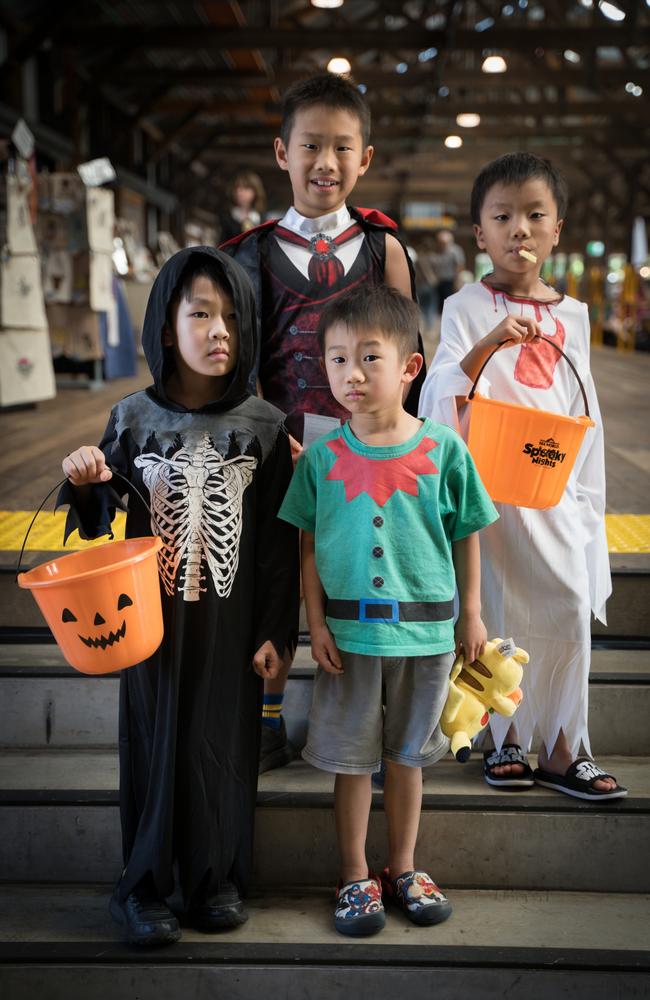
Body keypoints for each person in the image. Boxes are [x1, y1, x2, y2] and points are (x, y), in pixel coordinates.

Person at [58, 247, 299, 945]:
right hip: (147, 625)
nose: (219, 329)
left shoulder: (265, 424)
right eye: (200, 314)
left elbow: (279, 545)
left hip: (232, 623)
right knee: (152, 744)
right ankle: (143, 886)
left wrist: (277, 633)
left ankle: (215, 879)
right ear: (167, 327)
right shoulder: (132, 419)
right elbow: (99, 520)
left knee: (223, 746)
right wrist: (84, 479)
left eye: (232, 317)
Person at [221, 72, 427, 773]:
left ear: (365, 159)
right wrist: (259, 434)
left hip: (366, 457)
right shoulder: (246, 254)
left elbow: (410, 358)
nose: (325, 164)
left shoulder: (383, 249)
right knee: (275, 580)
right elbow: (236, 364)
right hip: (275, 453)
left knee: (361, 578)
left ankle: (372, 719)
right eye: (311, 146)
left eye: (342, 148)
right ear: (282, 152)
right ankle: (269, 718)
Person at [278, 284, 498, 936]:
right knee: (350, 761)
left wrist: (473, 614)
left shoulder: (444, 450)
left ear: (410, 367)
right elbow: (308, 545)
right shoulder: (320, 459)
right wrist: (313, 624)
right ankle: (353, 874)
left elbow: (468, 534)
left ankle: (402, 867)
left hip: (427, 635)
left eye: (370, 358)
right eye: (338, 360)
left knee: (408, 756)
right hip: (345, 639)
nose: (351, 374)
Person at [418, 152, 627, 800]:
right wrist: (490, 344)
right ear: (479, 232)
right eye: (503, 216)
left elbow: (582, 406)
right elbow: (438, 391)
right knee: (500, 616)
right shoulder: (465, 306)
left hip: (556, 491)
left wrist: (587, 498)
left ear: (557, 228)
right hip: (492, 497)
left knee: (565, 609)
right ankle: (505, 741)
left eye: (535, 215)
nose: (520, 230)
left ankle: (566, 747)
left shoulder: (575, 317)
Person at [219, 171, 267, 244]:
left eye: (245, 188)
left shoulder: (261, 218)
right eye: (237, 188)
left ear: (255, 191)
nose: (239, 192)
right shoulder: (227, 216)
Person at [428, 228, 465, 314]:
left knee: (450, 304)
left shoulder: (455, 251)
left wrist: (457, 281)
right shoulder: (434, 252)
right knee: (438, 306)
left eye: (444, 242)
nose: (441, 244)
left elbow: (459, 266)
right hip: (438, 282)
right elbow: (431, 266)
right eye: (440, 242)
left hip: (450, 281)